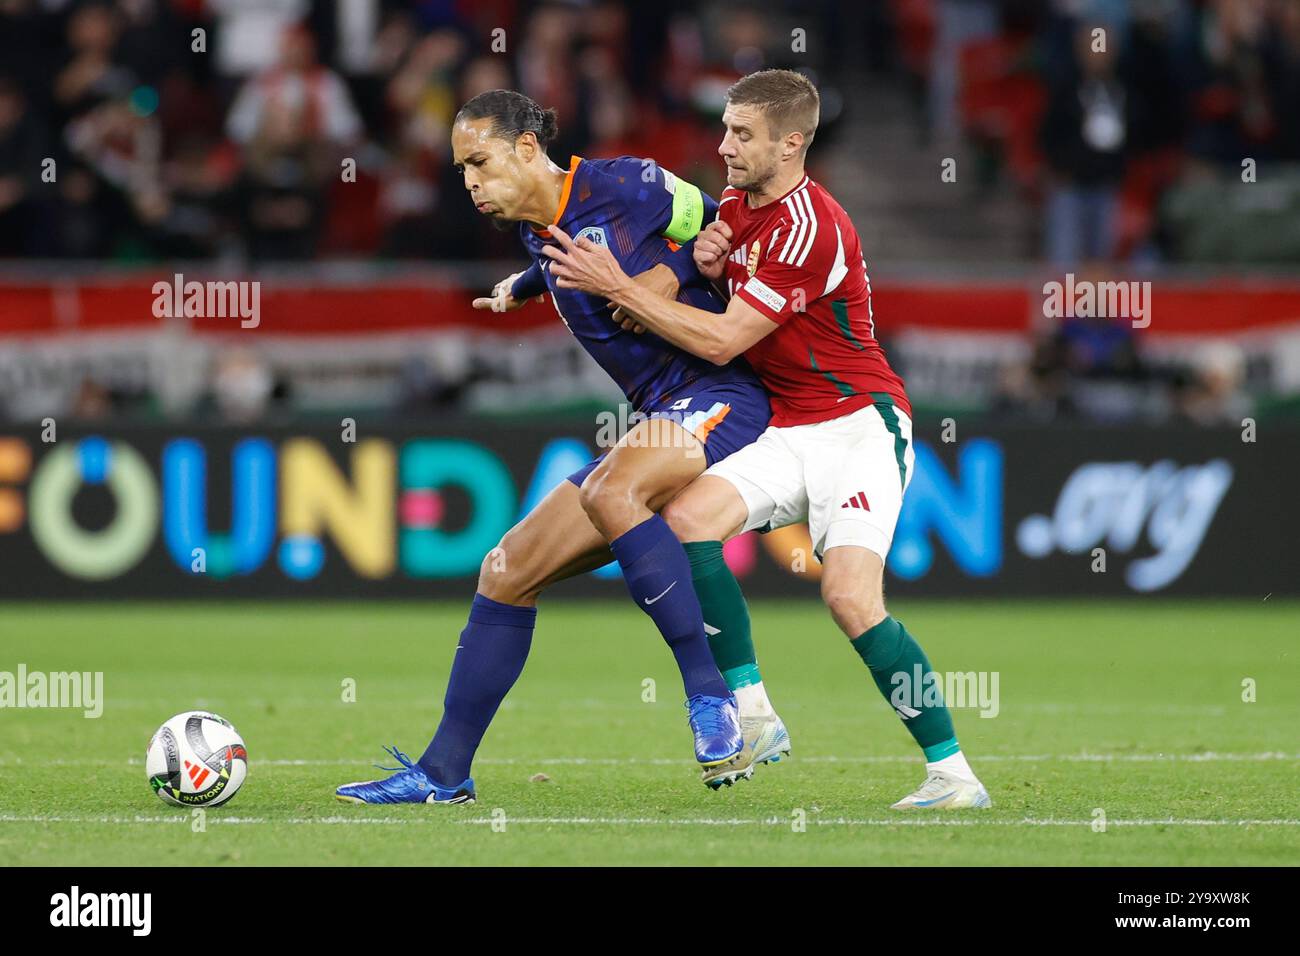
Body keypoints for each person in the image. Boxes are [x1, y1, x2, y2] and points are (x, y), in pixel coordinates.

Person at [543, 70, 991, 808]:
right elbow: (720, 296)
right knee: (684, 521)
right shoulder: (733, 208)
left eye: (742, 134)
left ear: (791, 144)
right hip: (787, 423)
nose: (723, 147)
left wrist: (621, 288)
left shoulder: (811, 228)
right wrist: (701, 268)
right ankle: (753, 715)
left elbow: (722, 343)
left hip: (857, 425)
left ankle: (952, 772)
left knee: (849, 598)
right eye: (724, 129)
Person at [335, 90, 779, 806]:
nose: (471, 181)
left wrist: (675, 273)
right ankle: (443, 772)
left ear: (528, 150)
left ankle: (712, 700)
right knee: (506, 570)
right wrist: (526, 283)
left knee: (611, 490)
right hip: (662, 414)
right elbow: (571, 252)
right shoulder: (534, 230)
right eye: (460, 170)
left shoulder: (627, 183)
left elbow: (723, 216)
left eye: (479, 162)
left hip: (724, 394)